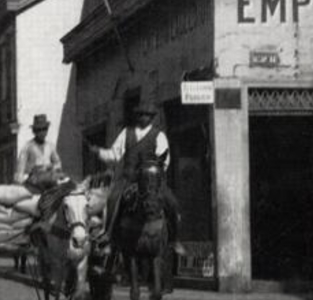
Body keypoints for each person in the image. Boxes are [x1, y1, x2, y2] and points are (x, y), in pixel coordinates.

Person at [87, 102, 185, 256]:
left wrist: (153, 174)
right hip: (129, 179)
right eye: (141, 115)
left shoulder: (159, 136)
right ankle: (109, 238)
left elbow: (164, 160)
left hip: (152, 180)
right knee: (113, 199)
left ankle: (175, 240)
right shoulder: (127, 133)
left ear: (152, 117)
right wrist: (98, 151)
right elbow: (114, 155)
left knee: (173, 203)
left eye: (147, 115)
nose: (143, 118)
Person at [14, 114, 63, 189]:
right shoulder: (28, 147)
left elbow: (58, 163)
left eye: (44, 129)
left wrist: (51, 167)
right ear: (34, 131)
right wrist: (20, 182)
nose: (42, 133)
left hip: (49, 178)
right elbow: (21, 167)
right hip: (34, 180)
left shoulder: (50, 146)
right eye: (39, 130)